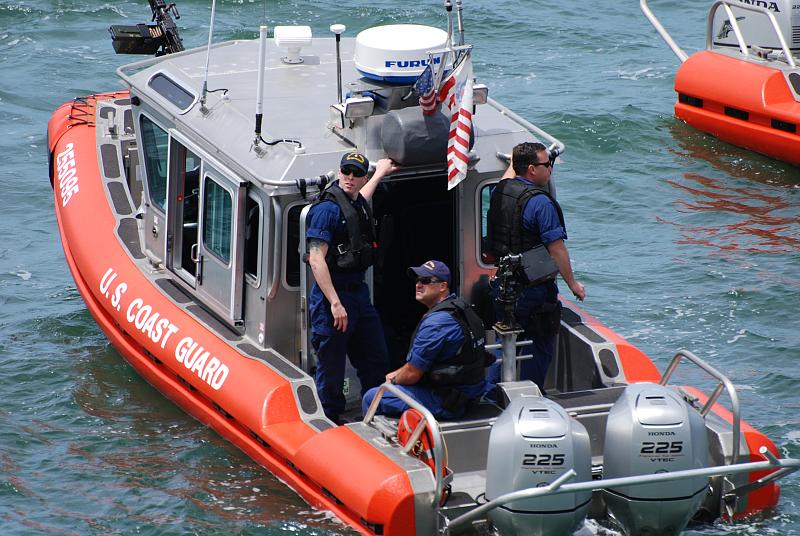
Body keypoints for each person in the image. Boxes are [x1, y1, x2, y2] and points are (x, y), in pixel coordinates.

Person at [306, 151, 398, 423]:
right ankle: (330, 418)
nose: (350, 177)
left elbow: (362, 199)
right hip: (333, 297)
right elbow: (315, 258)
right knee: (332, 365)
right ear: (339, 172)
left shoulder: (355, 201)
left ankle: (375, 410)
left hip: (358, 293)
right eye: (346, 171)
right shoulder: (326, 211)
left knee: (375, 356)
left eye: (357, 173)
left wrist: (381, 172)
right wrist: (335, 303)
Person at [487, 142, 585, 391]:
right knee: (538, 346)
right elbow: (557, 248)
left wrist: (513, 162)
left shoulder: (501, 191)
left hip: (503, 285)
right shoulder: (540, 203)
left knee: (505, 345)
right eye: (547, 164)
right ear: (531, 169)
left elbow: (509, 178)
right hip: (533, 290)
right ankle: (533, 398)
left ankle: (489, 396)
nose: (550, 169)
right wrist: (573, 284)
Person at [362, 260, 488, 419]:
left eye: (425, 281)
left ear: (443, 286)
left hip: (448, 401)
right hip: (471, 393)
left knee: (373, 396)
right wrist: (399, 372)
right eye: (417, 280)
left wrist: (393, 381)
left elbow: (412, 375)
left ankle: (378, 443)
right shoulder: (461, 308)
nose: (418, 285)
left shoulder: (436, 323)